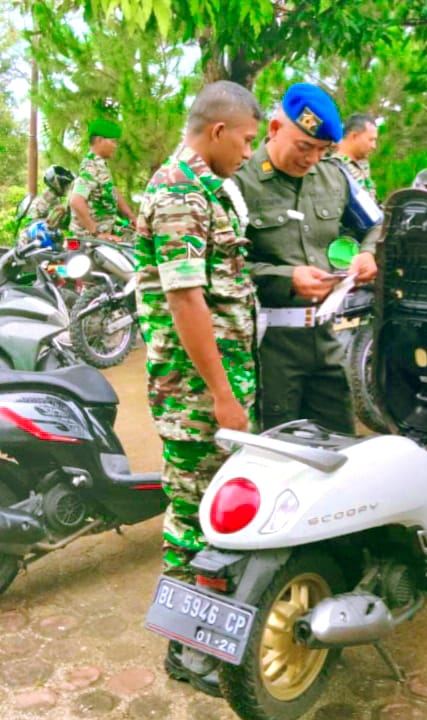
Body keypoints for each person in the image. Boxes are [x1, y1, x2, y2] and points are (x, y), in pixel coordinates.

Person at [134, 80, 263, 696]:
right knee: (191, 517)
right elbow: (185, 298)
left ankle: (203, 635)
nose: (248, 152)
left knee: (215, 510)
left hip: (216, 385)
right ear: (217, 131)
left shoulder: (209, 187)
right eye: (244, 140)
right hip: (195, 394)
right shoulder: (180, 192)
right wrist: (222, 394)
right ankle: (186, 652)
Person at [233, 83, 380, 433]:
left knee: (339, 445)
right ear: (274, 130)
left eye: (322, 149)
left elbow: (375, 225)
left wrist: (368, 254)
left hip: (326, 340)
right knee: (281, 452)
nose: (312, 159)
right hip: (269, 348)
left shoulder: (333, 176)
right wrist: (286, 278)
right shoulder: (239, 183)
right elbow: (227, 269)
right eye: (304, 147)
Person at [69, 117, 135, 242]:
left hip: (106, 231)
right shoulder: (90, 168)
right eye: (113, 142)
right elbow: (76, 200)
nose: (115, 147)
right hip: (90, 241)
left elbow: (112, 190)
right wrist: (96, 233)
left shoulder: (100, 165)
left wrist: (131, 216)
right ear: (99, 140)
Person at [329, 112, 379, 201]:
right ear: (354, 136)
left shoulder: (362, 165)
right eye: (371, 140)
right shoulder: (333, 167)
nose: (374, 146)